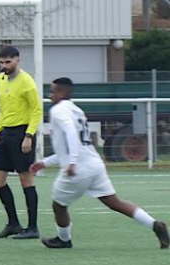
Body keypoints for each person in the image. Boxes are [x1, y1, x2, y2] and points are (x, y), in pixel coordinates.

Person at [30, 77, 169, 249]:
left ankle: (64, 240)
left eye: (53, 91)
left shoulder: (58, 111)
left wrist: (72, 162)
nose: (50, 95)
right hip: (94, 164)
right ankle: (155, 225)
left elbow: (71, 134)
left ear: (62, 92)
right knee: (114, 202)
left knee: (59, 205)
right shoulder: (77, 110)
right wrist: (45, 162)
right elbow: (71, 146)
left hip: (79, 168)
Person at [0, 46, 43, 239]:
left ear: (17, 60)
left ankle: (32, 227)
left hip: (22, 134)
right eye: (1, 62)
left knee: (26, 179)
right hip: (6, 133)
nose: (4, 66)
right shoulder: (0, 79)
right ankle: (13, 223)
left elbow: (37, 111)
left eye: (8, 62)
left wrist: (29, 136)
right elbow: (3, 109)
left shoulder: (27, 82)